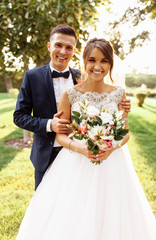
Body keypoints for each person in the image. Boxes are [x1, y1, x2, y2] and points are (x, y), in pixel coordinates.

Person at [16, 38, 156, 240]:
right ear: (84, 61)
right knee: (72, 214)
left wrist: (111, 147)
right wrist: (81, 148)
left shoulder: (119, 94)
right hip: (76, 162)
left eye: (104, 61)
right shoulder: (71, 94)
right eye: (92, 60)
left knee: (112, 213)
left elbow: (125, 132)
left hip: (112, 163)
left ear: (111, 64)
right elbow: (61, 135)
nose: (98, 66)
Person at [13, 24, 131, 190]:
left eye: (68, 47)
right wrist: (49, 124)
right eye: (58, 45)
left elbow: (103, 98)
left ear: (74, 50)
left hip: (84, 156)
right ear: (49, 46)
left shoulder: (85, 75)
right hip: (47, 152)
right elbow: (19, 116)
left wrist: (122, 105)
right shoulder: (32, 76)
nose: (63, 52)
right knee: (47, 205)